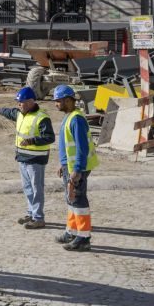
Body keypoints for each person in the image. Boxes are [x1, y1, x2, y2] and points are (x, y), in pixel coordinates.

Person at [0, 86, 55, 229]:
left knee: (36, 188)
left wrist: (32, 141)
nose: (18, 105)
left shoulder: (42, 117)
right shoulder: (20, 114)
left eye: (20, 102)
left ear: (29, 102)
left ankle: (38, 218)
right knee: (28, 187)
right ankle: (31, 213)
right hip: (22, 158)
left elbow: (49, 137)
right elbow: (10, 112)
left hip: (36, 160)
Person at [53, 84, 99, 252]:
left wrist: (77, 170)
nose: (56, 104)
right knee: (71, 199)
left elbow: (81, 148)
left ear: (67, 100)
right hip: (70, 166)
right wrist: (63, 164)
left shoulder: (76, 119)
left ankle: (83, 238)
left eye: (58, 101)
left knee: (78, 200)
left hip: (77, 168)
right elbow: (68, 145)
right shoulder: (70, 116)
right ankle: (72, 231)